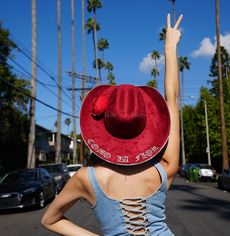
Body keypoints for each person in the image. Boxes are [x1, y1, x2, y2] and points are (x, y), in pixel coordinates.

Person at [41, 13, 183, 236]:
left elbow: (50, 220)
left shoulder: (86, 178)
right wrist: (170, 48)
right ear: (146, 128)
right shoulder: (166, 167)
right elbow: (172, 98)